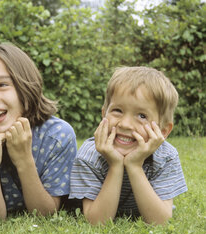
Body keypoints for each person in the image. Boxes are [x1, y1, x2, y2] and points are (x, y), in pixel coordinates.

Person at [0, 43, 77, 218]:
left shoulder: (56, 136)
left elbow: (45, 214)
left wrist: (23, 159)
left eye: (2, 84)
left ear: (26, 86)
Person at [69, 66, 188, 225]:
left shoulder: (166, 156)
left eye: (141, 116)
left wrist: (134, 165)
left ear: (163, 131)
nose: (125, 124)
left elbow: (160, 222)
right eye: (117, 110)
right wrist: (115, 165)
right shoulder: (90, 155)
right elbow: (97, 222)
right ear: (104, 114)